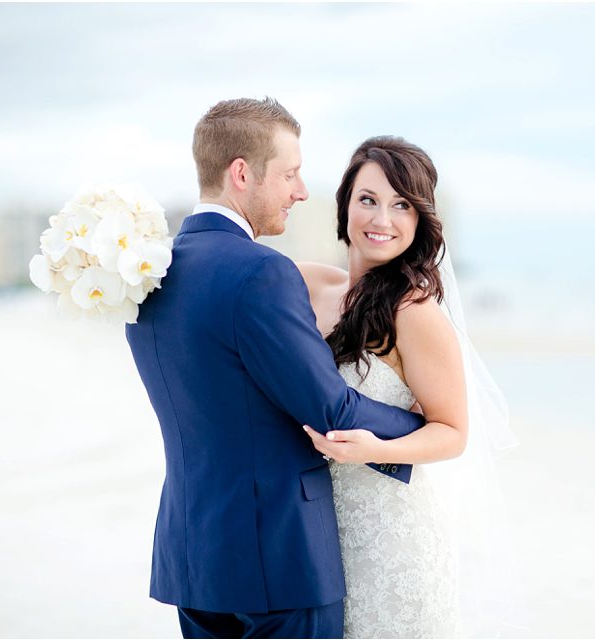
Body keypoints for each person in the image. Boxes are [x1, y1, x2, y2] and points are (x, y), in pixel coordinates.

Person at [125, 98, 427, 639]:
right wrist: (417, 425)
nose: (302, 190)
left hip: (192, 554)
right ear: (242, 173)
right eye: (290, 173)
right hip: (279, 558)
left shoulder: (149, 275)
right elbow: (328, 408)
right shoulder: (263, 272)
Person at [298, 136, 471, 638]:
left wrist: (378, 448)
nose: (381, 219)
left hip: (394, 540)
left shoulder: (414, 312)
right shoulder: (306, 284)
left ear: (419, 222)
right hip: (315, 535)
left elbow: (453, 431)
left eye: (401, 205)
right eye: (368, 199)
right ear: (345, 204)